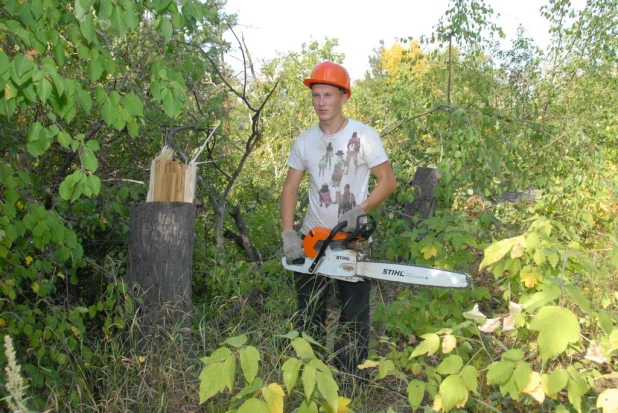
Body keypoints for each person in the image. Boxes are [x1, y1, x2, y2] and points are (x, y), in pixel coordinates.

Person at [280, 61, 397, 375]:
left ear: (344, 96)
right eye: (316, 95)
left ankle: (350, 380)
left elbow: (388, 180)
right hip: (312, 238)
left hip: (351, 240)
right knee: (309, 314)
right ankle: (310, 374)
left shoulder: (364, 136)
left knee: (354, 316)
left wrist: (361, 210)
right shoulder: (304, 141)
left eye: (328, 95)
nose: (321, 102)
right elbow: (290, 188)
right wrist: (288, 233)